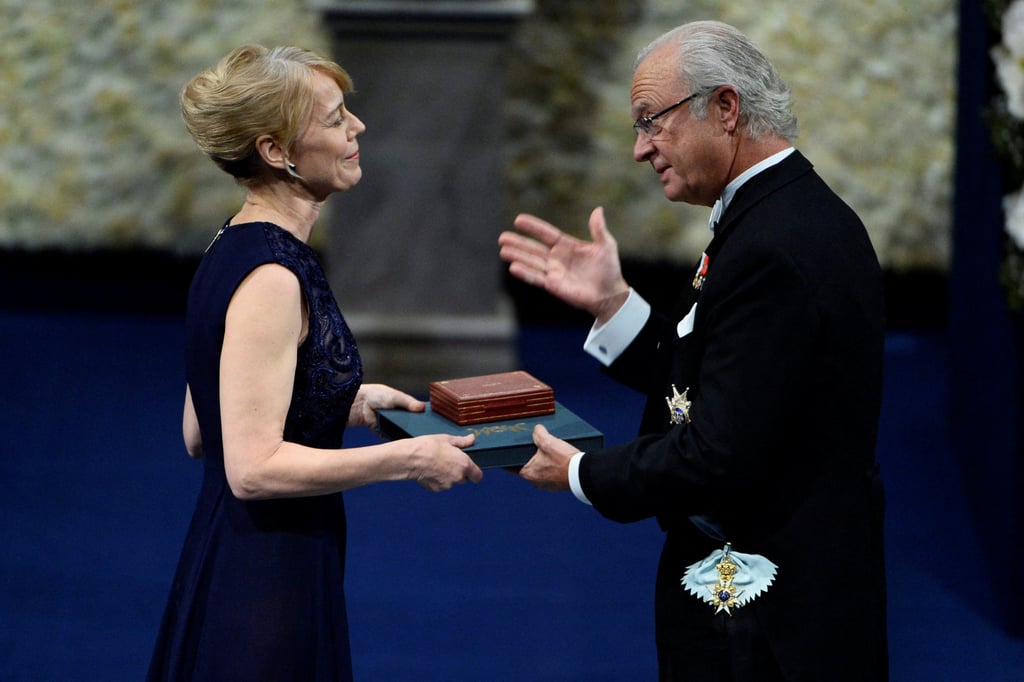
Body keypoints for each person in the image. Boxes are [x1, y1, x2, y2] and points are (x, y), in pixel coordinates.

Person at [498, 20, 887, 681]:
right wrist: (614, 305)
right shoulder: (785, 212)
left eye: (653, 121)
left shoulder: (772, 246)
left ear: (726, 108)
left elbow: (717, 453)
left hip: (763, 613)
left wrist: (580, 474)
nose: (640, 149)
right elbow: (721, 378)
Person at [147, 45, 483, 681]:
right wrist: (410, 458)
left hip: (237, 551)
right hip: (268, 576)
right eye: (334, 119)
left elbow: (203, 431)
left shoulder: (232, 244)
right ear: (278, 152)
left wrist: (347, 402)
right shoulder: (273, 277)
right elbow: (251, 468)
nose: (356, 127)